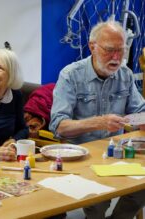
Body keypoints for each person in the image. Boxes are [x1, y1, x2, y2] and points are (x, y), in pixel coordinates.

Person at [49, 20, 145, 219]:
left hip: (117, 154)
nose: (117, 58)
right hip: (82, 157)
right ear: (92, 47)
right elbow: (58, 126)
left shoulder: (125, 75)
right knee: (98, 201)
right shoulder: (70, 75)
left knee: (142, 186)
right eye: (110, 50)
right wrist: (99, 122)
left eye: (121, 50)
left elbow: (140, 110)